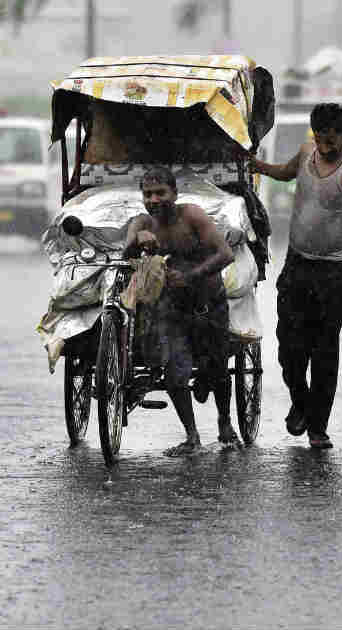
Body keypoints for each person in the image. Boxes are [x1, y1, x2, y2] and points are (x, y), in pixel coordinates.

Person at [247, 103, 342, 449]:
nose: (326, 146)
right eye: (321, 139)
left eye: (333, 140)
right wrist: (255, 165)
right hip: (296, 266)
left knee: (324, 352)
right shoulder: (305, 153)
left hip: (334, 273)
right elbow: (285, 173)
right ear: (314, 135)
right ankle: (301, 402)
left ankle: (318, 427)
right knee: (289, 348)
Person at [121, 166, 237, 457]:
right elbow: (126, 254)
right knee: (175, 374)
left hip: (209, 305)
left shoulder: (192, 216)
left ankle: (225, 423)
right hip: (171, 309)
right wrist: (138, 238)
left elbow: (226, 254)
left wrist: (192, 275)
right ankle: (192, 436)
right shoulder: (142, 222)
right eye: (148, 194)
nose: (154, 199)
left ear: (174, 193)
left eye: (161, 193)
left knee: (219, 370)